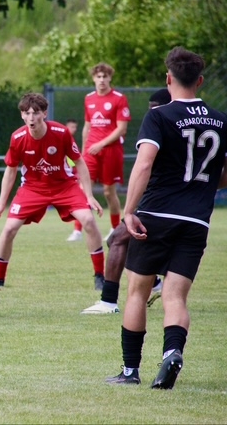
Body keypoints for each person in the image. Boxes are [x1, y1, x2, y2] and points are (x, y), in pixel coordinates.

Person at [105, 47, 227, 389]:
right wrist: (201, 186)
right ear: (200, 81)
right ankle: (172, 352)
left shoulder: (159, 116)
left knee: (137, 291)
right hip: (197, 221)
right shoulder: (221, 120)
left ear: (168, 78)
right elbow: (223, 174)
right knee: (175, 295)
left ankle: (130, 371)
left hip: (156, 215)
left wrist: (129, 211)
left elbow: (144, 163)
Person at [0, 93, 105, 291]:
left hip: (64, 186)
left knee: (88, 220)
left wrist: (89, 195)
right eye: (27, 113)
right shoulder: (17, 138)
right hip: (32, 188)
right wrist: (1, 204)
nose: (31, 118)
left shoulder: (61, 133)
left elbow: (79, 162)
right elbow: (10, 171)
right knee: (9, 229)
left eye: (36, 113)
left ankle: (100, 276)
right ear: (22, 115)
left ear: (44, 113)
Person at [81, 88, 171, 314]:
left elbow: (144, 167)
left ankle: (109, 302)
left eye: (155, 108)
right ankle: (156, 284)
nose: (151, 112)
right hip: (190, 209)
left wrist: (130, 210)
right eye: (150, 108)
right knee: (134, 242)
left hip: (159, 203)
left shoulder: (160, 127)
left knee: (117, 239)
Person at [78, 63, 131, 243]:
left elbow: (122, 129)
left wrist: (101, 144)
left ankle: (115, 228)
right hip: (91, 151)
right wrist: (82, 152)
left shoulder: (119, 98)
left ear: (110, 78)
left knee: (109, 192)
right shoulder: (88, 98)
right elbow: (87, 126)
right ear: (94, 78)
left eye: (104, 77)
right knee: (83, 189)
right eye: (98, 77)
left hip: (110, 150)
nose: (101, 80)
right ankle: (78, 230)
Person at [64, 118, 86, 242]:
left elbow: (76, 161)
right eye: (72, 127)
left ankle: (78, 231)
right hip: (67, 175)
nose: (74, 129)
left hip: (74, 174)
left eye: (75, 127)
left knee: (80, 199)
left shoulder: (72, 141)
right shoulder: (61, 139)